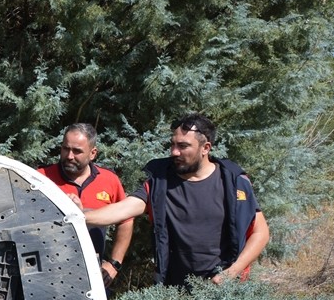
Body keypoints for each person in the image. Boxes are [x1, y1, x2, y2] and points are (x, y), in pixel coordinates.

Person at [84, 114, 269, 286]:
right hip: (174, 288)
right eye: (172, 145)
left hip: (224, 286)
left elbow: (260, 233)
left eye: (183, 146)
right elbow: (123, 209)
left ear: (206, 148)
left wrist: (231, 272)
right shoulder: (160, 181)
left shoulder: (232, 181)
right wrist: (77, 216)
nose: (174, 152)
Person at [38, 124, 133, 287]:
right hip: (46, 274)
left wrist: (114, 264)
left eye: (77, 151)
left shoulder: (109, 180)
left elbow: (126, 220)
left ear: (93, 153)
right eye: (65, 149)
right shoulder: (41, 178)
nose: (69, 156)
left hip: (93, 276)